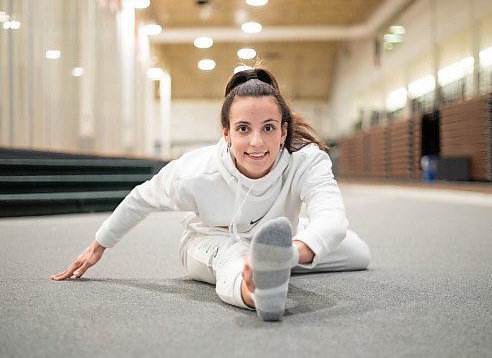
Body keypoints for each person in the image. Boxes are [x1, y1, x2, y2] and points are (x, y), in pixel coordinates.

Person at [51, 68, 370, 321]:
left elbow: (331, 218)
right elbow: (142, 197)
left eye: (269, 128)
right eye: (244, 128)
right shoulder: (194, 172)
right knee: (233, 257)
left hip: (275, 237)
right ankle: (257, 294)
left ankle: (271, 260)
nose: (257, 142)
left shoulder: (308, 159)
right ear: (226, 133)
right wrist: (98, 245)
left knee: (357, 252)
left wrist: (290, 250)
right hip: (211, 239)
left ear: (284, 130)